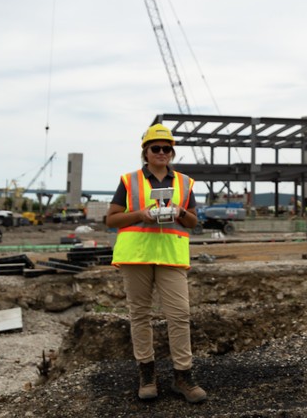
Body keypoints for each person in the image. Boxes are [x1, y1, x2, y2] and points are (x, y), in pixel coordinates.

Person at [106, 123, 208, 403]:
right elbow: (111, 219)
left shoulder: (184, 183)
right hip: (136, 255)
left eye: (166, 148)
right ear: (146, 152)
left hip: (171, 256)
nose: (162, 152)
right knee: (140, 315)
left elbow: (193, 221)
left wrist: (180, 212)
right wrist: (140, 214)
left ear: (171, 152)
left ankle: (183, 377)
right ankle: (147, 374)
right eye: (156, 148)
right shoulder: (129, 181)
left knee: (179, 315)